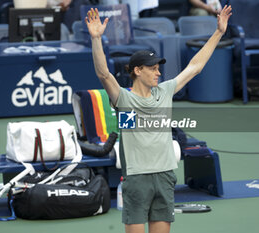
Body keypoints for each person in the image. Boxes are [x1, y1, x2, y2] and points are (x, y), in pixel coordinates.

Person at [84, 5, 232, 233]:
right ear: (137, 70)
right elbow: (103, 73)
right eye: (153, 69)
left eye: (158, 69)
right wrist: (96, 39)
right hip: (136, 178)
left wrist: (218, 33)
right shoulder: (123, 98)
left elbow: (195, 67)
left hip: (164, 175)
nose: (158, 73)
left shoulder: (164, 92)